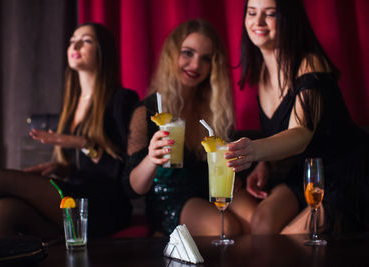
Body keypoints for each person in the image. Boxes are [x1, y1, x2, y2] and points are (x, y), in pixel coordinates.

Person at [0, 22, 139, 250]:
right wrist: (61, 167)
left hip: (104, 206)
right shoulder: (71, 104)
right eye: (72, 41)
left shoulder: (122, 100)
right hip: (75, 196)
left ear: (103, 51)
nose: (75, 45)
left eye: (86, 40)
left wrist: (84, 144)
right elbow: (82, 168)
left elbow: (124, 174)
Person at [226, 0, 369, 235]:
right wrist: (265, 163)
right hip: (305, 172)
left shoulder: (309, 64)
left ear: (289, 19)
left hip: (345, 172)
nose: (257, 22)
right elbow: (281, 132)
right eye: (252, 13)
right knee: (262, 223)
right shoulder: (262, 73)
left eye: (270, 14)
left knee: (289, 238)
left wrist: (253, 151)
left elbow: (300, 134)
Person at [122, 19, 240, 236]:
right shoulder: (147, 111)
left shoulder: (215, 108)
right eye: (188, 53)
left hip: (211, 192)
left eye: (206, 59)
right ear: (171, 55)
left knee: (258, 221)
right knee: (228, 228)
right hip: (172, 201)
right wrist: (151, 158)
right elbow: (133, 188)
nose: (196, 65)